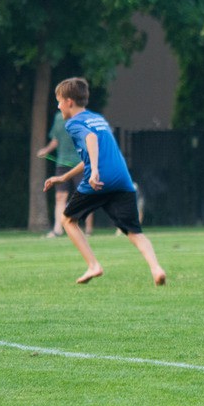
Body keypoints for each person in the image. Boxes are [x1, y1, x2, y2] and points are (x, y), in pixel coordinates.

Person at [42, 77, 167, 286]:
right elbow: (93, 152)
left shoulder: (73, 123)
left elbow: (90, 140)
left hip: (99, 180)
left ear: (70, 102)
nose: (58, 105)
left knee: (68, 220)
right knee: (134, 232)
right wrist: (64, 177)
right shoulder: (98, 119)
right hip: (122, 179)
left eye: (59, 101)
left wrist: (95, 172)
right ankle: (156, 268)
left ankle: (93, 265)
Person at [36, 111, 93, 238]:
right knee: (60, 197)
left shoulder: (82, 116)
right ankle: (58, 229)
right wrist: (46, 150)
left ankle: (88, 230)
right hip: (62, 163)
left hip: (81, 163)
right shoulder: (57, 117)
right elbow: (55, 140)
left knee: (85, 196)